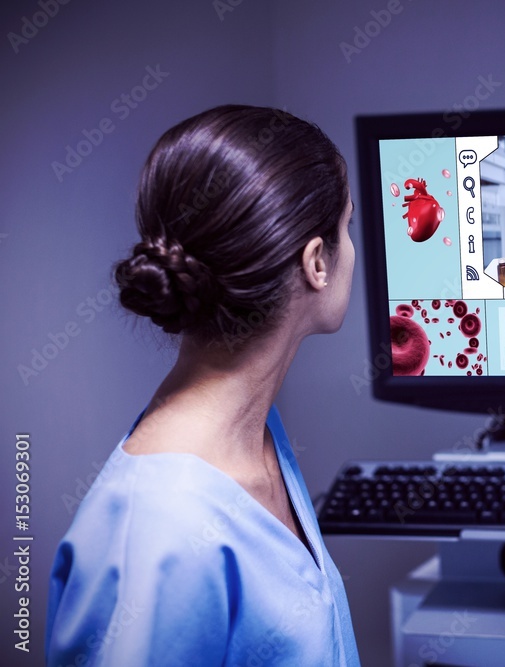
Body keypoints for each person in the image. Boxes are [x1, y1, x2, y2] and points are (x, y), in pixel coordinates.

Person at [45, 106, 361, 666]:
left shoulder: (254, 435)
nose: (352, 249)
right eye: (347, 227)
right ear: (317, 262)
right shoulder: (159, 530)